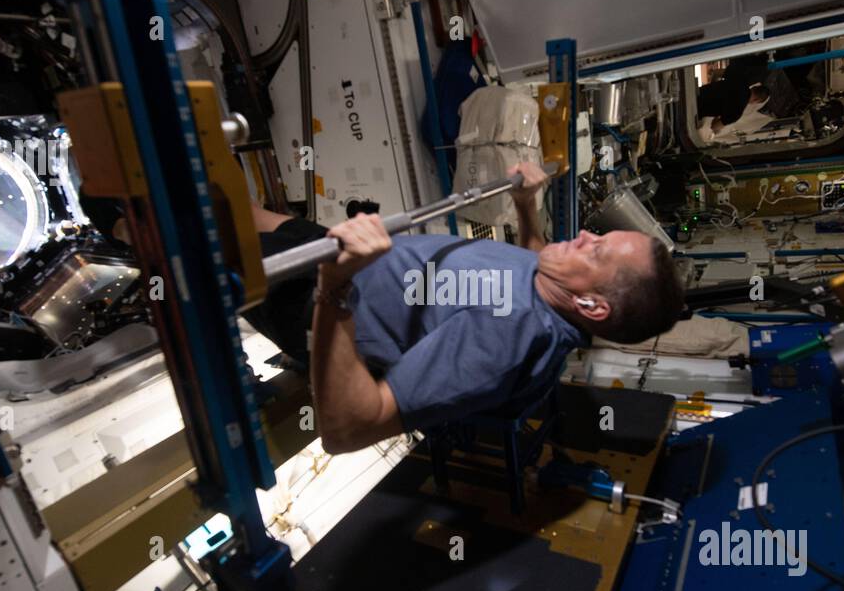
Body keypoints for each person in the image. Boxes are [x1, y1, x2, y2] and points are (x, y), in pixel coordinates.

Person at [243, 161, 684, 453]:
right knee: (230, 208)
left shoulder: (505, 336)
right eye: (600, 235)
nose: (587, 236)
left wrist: (334, 286)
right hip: (339, 252)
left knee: (190, 246)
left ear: (591, 306)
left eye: (597, 251)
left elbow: (347, 430)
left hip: (311, 292)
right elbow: (533, 252)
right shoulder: (556, 287)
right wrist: (526, 204)